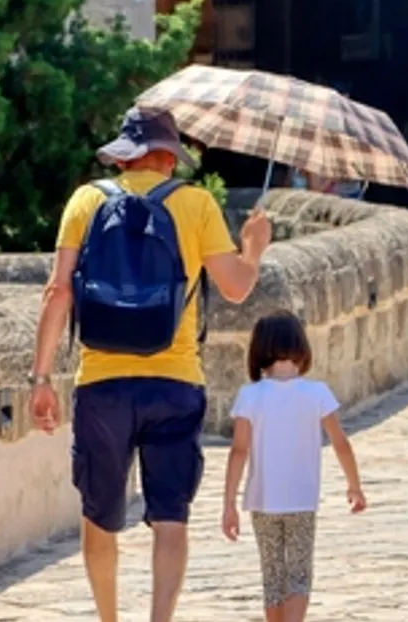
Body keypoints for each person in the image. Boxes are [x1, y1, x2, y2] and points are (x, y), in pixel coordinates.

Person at [27, 106, 274, 622]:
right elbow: (235, 287)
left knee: (99, 516)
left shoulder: (86, 200)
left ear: (124, 156)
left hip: (101, 382)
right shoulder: (196, 204)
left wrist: (42, 378)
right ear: (167, 157)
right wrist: (253, 248)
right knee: (170, 518)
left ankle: (109, 619)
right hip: (176, 381)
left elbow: (58, 293)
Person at [221, 310, 367, 622]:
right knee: (299, 574)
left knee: (272, 575)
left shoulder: (250, 395)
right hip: (302, 498)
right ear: (301, 347)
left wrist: (229, 503)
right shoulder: (316, 393)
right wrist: (354, 485)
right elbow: (341, 443)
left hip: (262, 499)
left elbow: (238, 451)